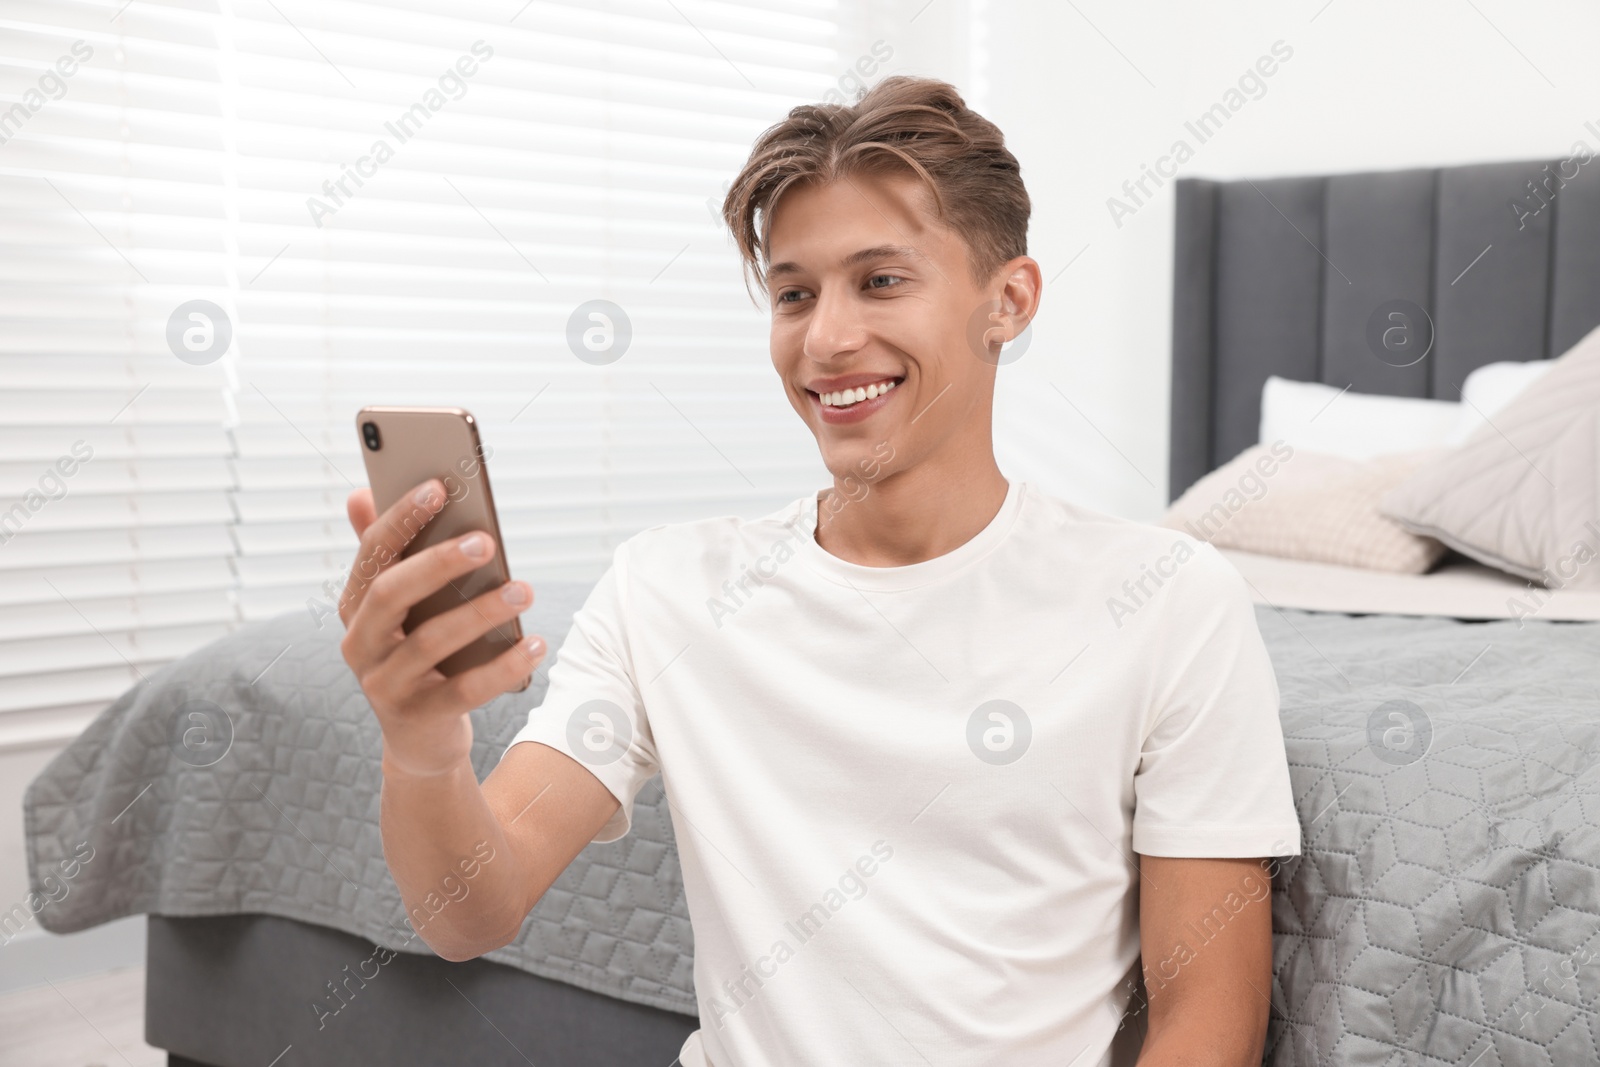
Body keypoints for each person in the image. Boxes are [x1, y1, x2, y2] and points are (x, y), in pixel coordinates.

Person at [337, 75, 1301, 1067]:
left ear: (1007, 301)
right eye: (794, 292)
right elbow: (470, 910)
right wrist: (422, 743)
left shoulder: (1169, 598)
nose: (827, 339)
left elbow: (1204, 1017)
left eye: (881, 281)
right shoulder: (664, 589)